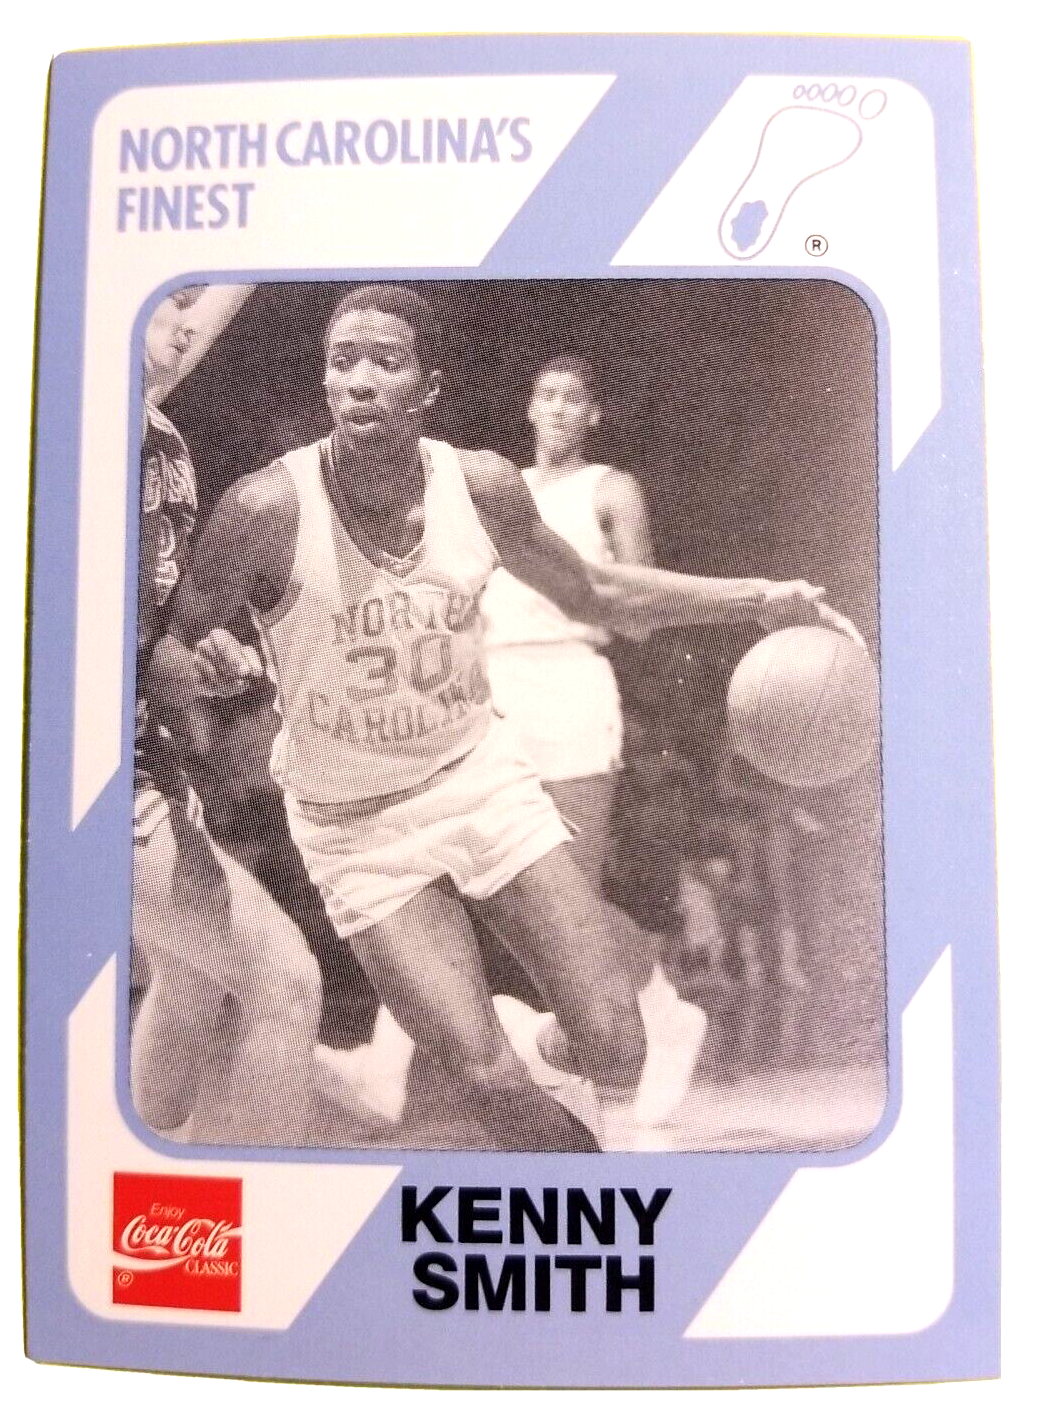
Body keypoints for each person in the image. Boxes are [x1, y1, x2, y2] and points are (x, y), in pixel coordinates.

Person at [162, 283, 836, 1152]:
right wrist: (207, 664)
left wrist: (757, 596)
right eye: (341, 361)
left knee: (616, 1041)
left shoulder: (478, 485)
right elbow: (166, 640)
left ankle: (546, 1042)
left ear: (428, 388)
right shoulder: (266, 507)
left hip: (479, 781)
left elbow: (596, 591)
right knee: (486, 1074)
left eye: (385, 362)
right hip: (355, 828)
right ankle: (579, 1179)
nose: (359, 380)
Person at [131, 285, 324, 1147]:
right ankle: (272, 1206)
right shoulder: (86, 429)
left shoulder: (159, 430)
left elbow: (147, 631)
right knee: (285, 982)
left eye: (190, 304)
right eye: (169, 303)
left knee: (192, 977)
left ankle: (137, 1168)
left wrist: (198, 657)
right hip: (96, 769)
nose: (186, 323)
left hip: (149, 743)